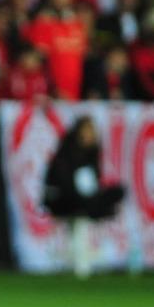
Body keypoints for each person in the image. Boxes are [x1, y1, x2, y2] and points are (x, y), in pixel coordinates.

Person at [42, 116, 126, 279]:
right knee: (87, 202)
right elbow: (63, 182)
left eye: (92, 131)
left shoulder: (92, 154)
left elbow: (94, 181)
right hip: (64, 199)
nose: (90, 135)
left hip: (85, 197)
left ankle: (95, 208)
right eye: (87, 131)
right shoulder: (66, 153)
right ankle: (81, 262)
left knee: (117, 191)